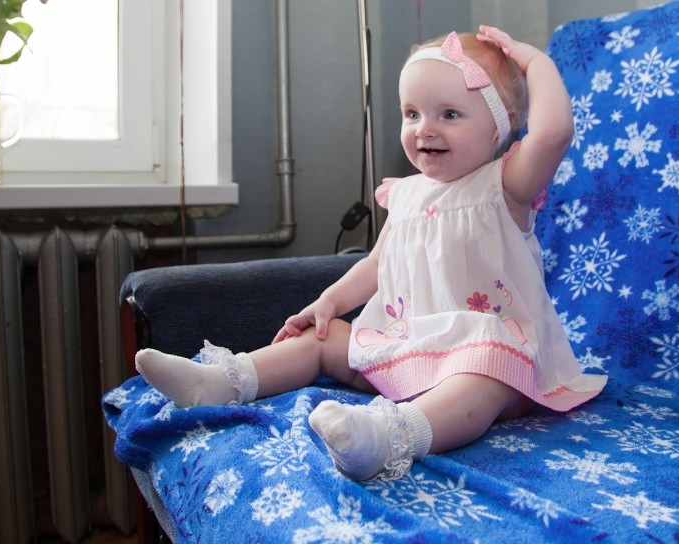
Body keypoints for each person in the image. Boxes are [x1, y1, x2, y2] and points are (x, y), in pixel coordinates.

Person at [135, 26, 607, 481]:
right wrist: (329, 303)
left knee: (485, 370)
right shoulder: (406, 196)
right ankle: (223, 382)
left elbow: (553, 133)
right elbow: (376, 264)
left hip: (491, 362)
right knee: (322, 338)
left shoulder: (506, 187)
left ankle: (388, 439)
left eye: (449, 114)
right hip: (408, 349)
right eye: (412, 113)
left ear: (502, 123)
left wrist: (533, 61)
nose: (425, 129)